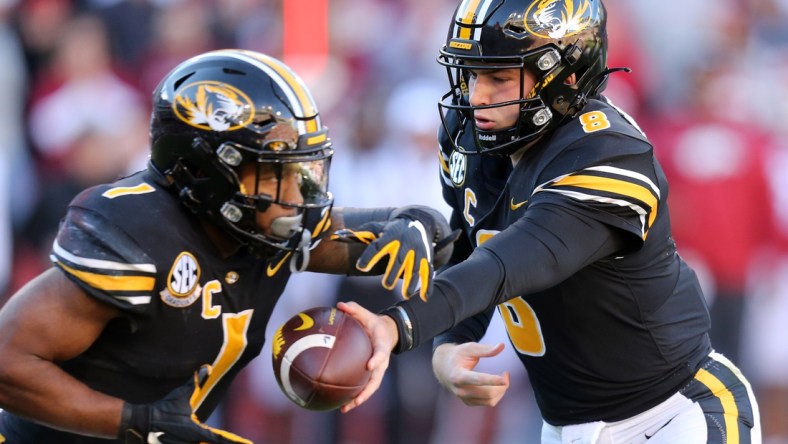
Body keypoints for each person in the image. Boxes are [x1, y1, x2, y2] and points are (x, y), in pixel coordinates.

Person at [339, 1, 763, 443]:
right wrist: (450, 342)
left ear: (566, 76)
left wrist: (397, 324)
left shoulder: (607, 153)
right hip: (566, 428)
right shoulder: (476, 138)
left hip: (673, 415)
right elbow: (474, 240)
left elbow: (508, 261)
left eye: (498, 77)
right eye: (471, 74)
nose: (476, 95)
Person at [0, 49, 457, 443]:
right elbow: (8, 361)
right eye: (276, 172)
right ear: (207, 170)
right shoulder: (139, 234)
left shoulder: (264, 227)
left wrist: (417, 222)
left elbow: (405, 239)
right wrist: (135, 423)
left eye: (303, 173)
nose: (298, 196)